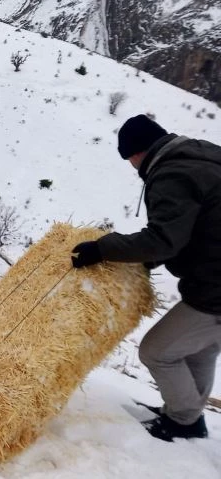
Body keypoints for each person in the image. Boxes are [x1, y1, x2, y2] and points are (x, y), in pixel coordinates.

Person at [71, 114, 221, 441]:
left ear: (137, 152)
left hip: (215, 291)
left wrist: (103, 249)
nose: (131, 166)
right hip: (213, 278)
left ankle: (182, 420)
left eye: (128, 158)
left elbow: (164, 239)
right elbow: (192, 228)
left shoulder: (173, 174)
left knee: (156, 351)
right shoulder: (202, 155)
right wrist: (143, 259)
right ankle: (187, 415)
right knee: (200, 350)